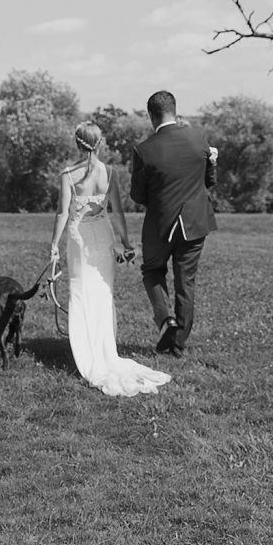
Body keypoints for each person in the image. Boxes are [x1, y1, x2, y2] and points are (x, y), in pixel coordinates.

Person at [49, 121, 172, 396]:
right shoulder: (110, 173)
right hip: (102, 238)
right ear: (100, 143)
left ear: (77, 144)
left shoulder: (68, 174)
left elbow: (62, 213)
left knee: (81, 294)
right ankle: (105, 351)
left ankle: (88, 354)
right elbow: (117, 213)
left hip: (79, 239)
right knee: (103, 295)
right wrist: (125, 242)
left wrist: (54, 245)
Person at [131, 90, 218, 358]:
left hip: (160, 225)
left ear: (150, 116)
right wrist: (213, 163)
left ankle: (165, 320)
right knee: (186, 283)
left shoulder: (144, 150)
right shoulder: (198, 139)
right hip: (194, 223)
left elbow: (137, 195)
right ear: (175, 110)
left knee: (152, 270)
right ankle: (177, 343)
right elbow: (208, 181)